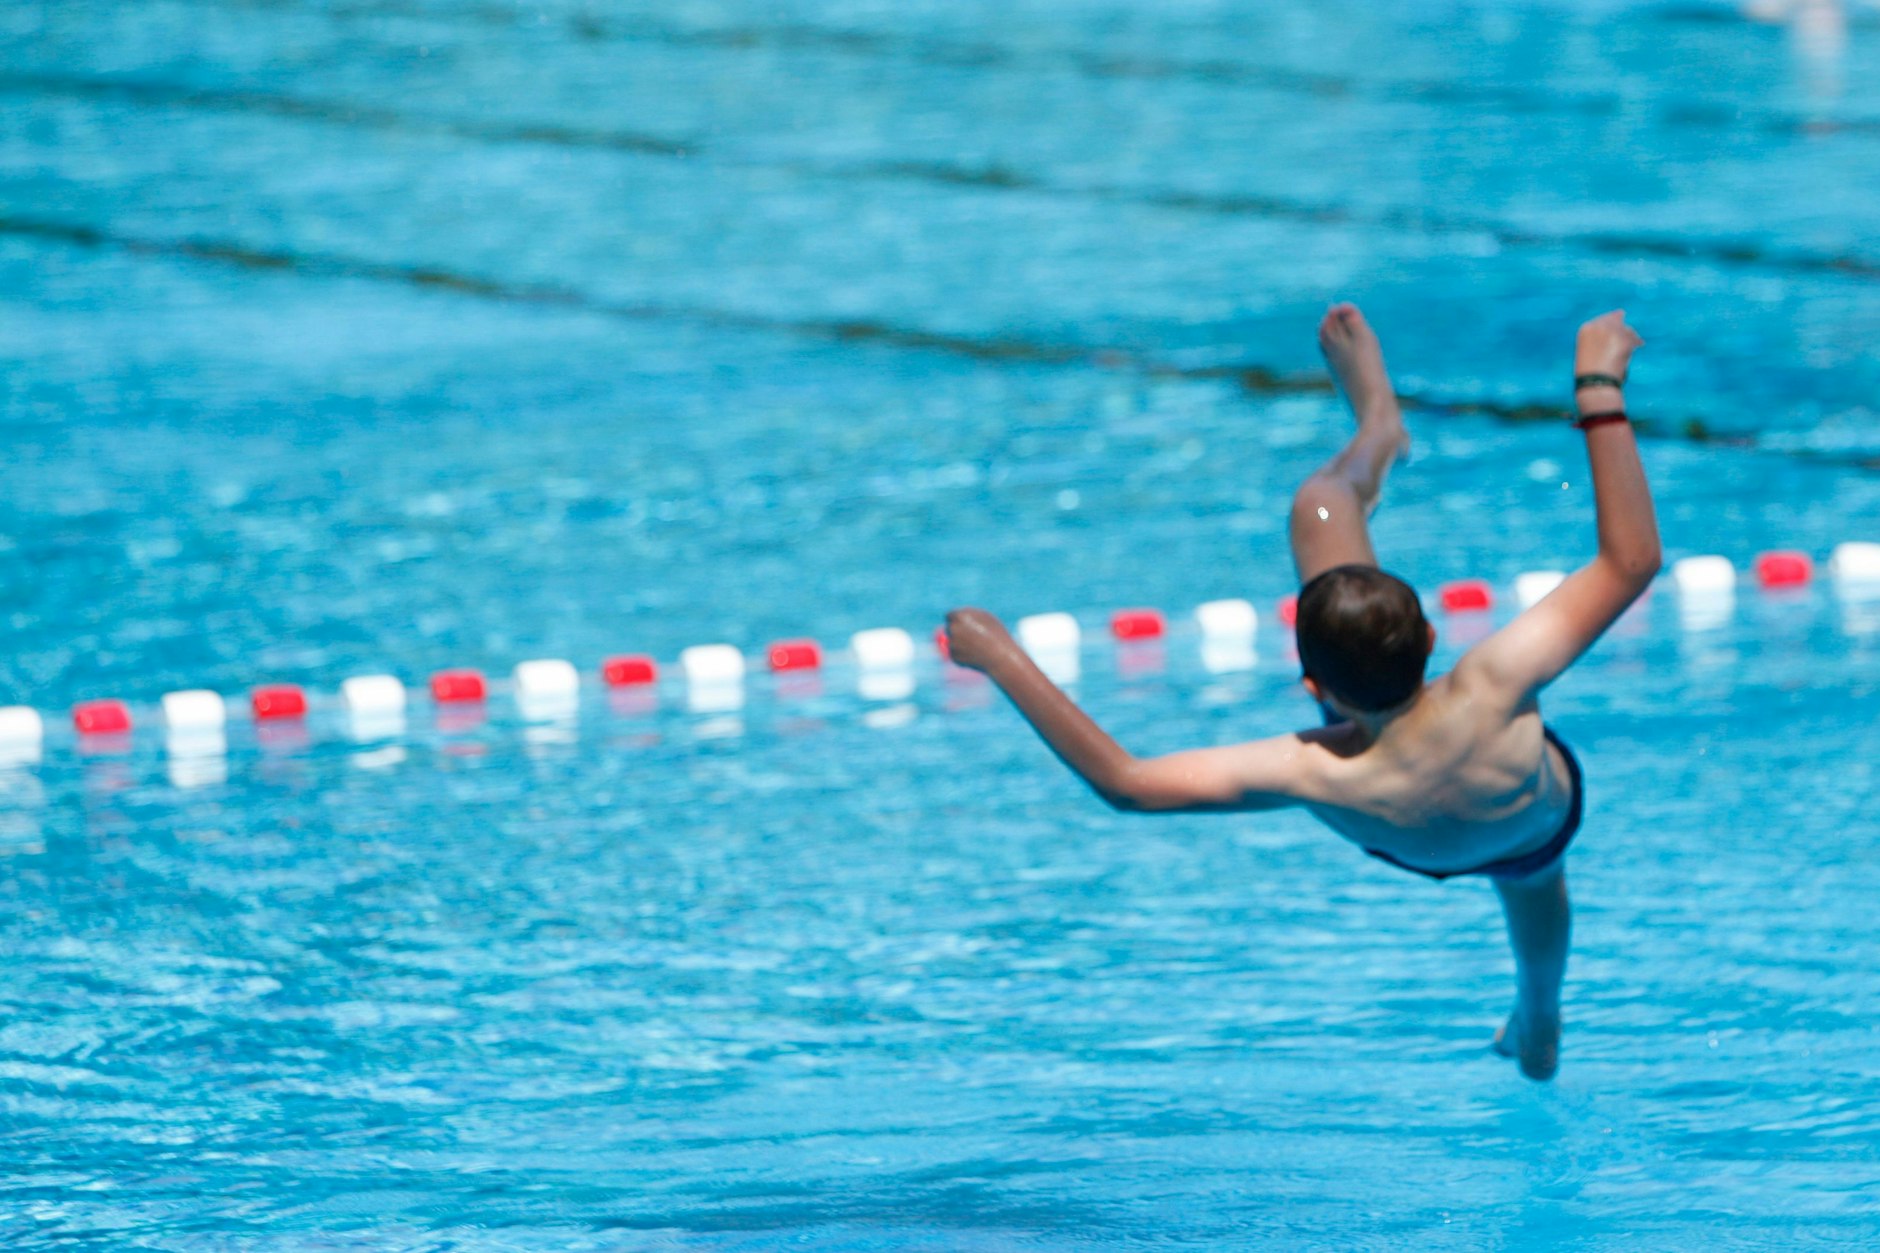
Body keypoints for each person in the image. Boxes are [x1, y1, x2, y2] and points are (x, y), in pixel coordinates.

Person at [944, 305, 1661, 1080]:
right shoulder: (1493, 680)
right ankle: (1540, 1015)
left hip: (1400, 822)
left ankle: (1380, 429)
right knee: (1533, 881)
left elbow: (1126, 784)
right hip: (1533, 822)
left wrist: (1003, 658)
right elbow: (1630, 562)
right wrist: (1597, 388)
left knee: (1319, 510)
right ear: (1429, 642)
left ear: (1313, 688)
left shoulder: (1310, 766)